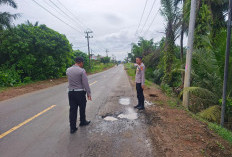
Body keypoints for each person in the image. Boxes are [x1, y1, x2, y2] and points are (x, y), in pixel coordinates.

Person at [66, 57, 91, 134]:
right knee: (82, 107)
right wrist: (88, 93)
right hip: (80, 93)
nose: (82, 64)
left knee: (73, 110)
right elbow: (85, 83)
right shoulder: (82, 71)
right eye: (82, 63)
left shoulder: (68, 70)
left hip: (71, 93)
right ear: (81, 62)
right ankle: (82, 121)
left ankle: (72, 128)